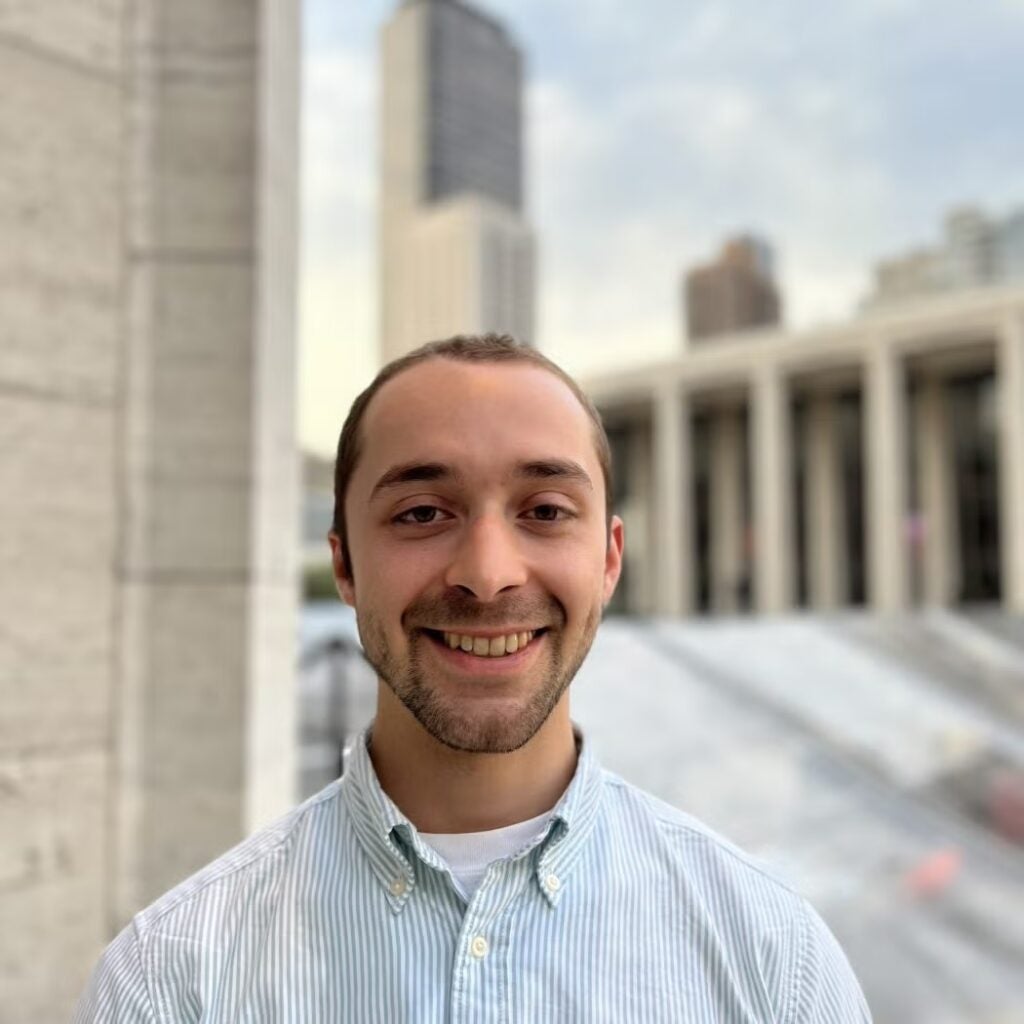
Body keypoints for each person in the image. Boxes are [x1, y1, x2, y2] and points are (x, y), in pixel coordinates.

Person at [74, 334, 871, 1022]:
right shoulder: (172, 981)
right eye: (423, 513)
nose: (488, 575)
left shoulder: (776, 961)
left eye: (545, 510)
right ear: (344, 565)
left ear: (609, 560)